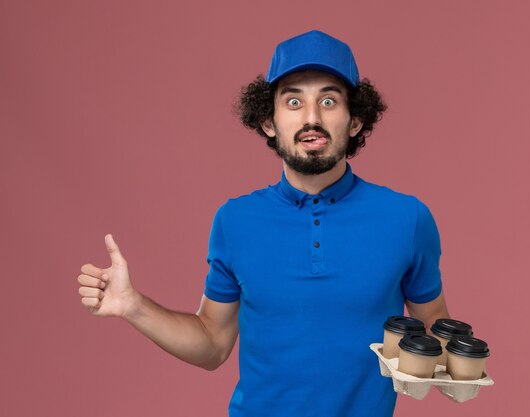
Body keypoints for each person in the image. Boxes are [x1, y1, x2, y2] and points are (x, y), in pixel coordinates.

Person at [77, 30, 450, 417]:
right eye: (293, 101)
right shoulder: (234, 221)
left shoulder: (407, 219)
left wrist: (452, 362)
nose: (311, 118)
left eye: (328, 100)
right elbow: (212, 345)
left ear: (355, 120)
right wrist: (132, 305)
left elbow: (436, 328)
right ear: (268, 122)